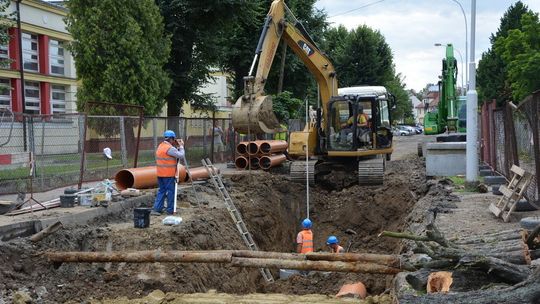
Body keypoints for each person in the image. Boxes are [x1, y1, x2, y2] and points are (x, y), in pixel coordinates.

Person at [151, 130, 185, 216]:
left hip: (160, 174)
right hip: (168, 174)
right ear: (172, 139)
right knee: (171, 192)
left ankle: (157, 209)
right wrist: (181, 147)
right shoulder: (169, 148)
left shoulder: (160, 146)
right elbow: (181, 155)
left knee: (161, 191)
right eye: (174, 139)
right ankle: (170, 210)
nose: (174, 141)